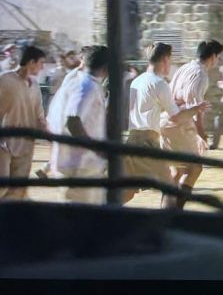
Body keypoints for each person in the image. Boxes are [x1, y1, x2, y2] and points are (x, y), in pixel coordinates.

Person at [122, 43, 210, 208]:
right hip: (148, 142)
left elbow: (152, 106)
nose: (170, 64)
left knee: (128, 190)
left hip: (132, 139)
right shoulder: (159, 83)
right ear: (165, 59)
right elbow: (176, 117)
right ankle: (167, 225)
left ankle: (99, 215)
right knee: (169, 187)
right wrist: (196, 109)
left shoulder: (137, 81)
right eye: (170, 59)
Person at [160, 40, 223, 208]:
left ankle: (165, 211)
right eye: (218, 57)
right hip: (179, 121)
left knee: (177, 171)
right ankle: (174, 212)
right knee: (194, 168)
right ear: (213, 56)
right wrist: (200, 132)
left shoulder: (185, 67)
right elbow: (194, 106)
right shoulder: (200, 74)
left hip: (167, 118)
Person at [48, 46, 109, 204]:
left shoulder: (89, 84)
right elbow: (72, 121)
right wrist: (98, 149)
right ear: (106, 68)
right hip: (77, 169)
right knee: (76, 222)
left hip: (87, 168)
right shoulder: (85, 86)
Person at [0, 46, 47, 199]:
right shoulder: (5, 80)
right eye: (41, 63)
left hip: (26, 145)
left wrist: (46, 129)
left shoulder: (35, 85)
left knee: (18, 190)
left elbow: (39, 115)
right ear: (31, 62)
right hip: (3, 144)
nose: (42, 67)